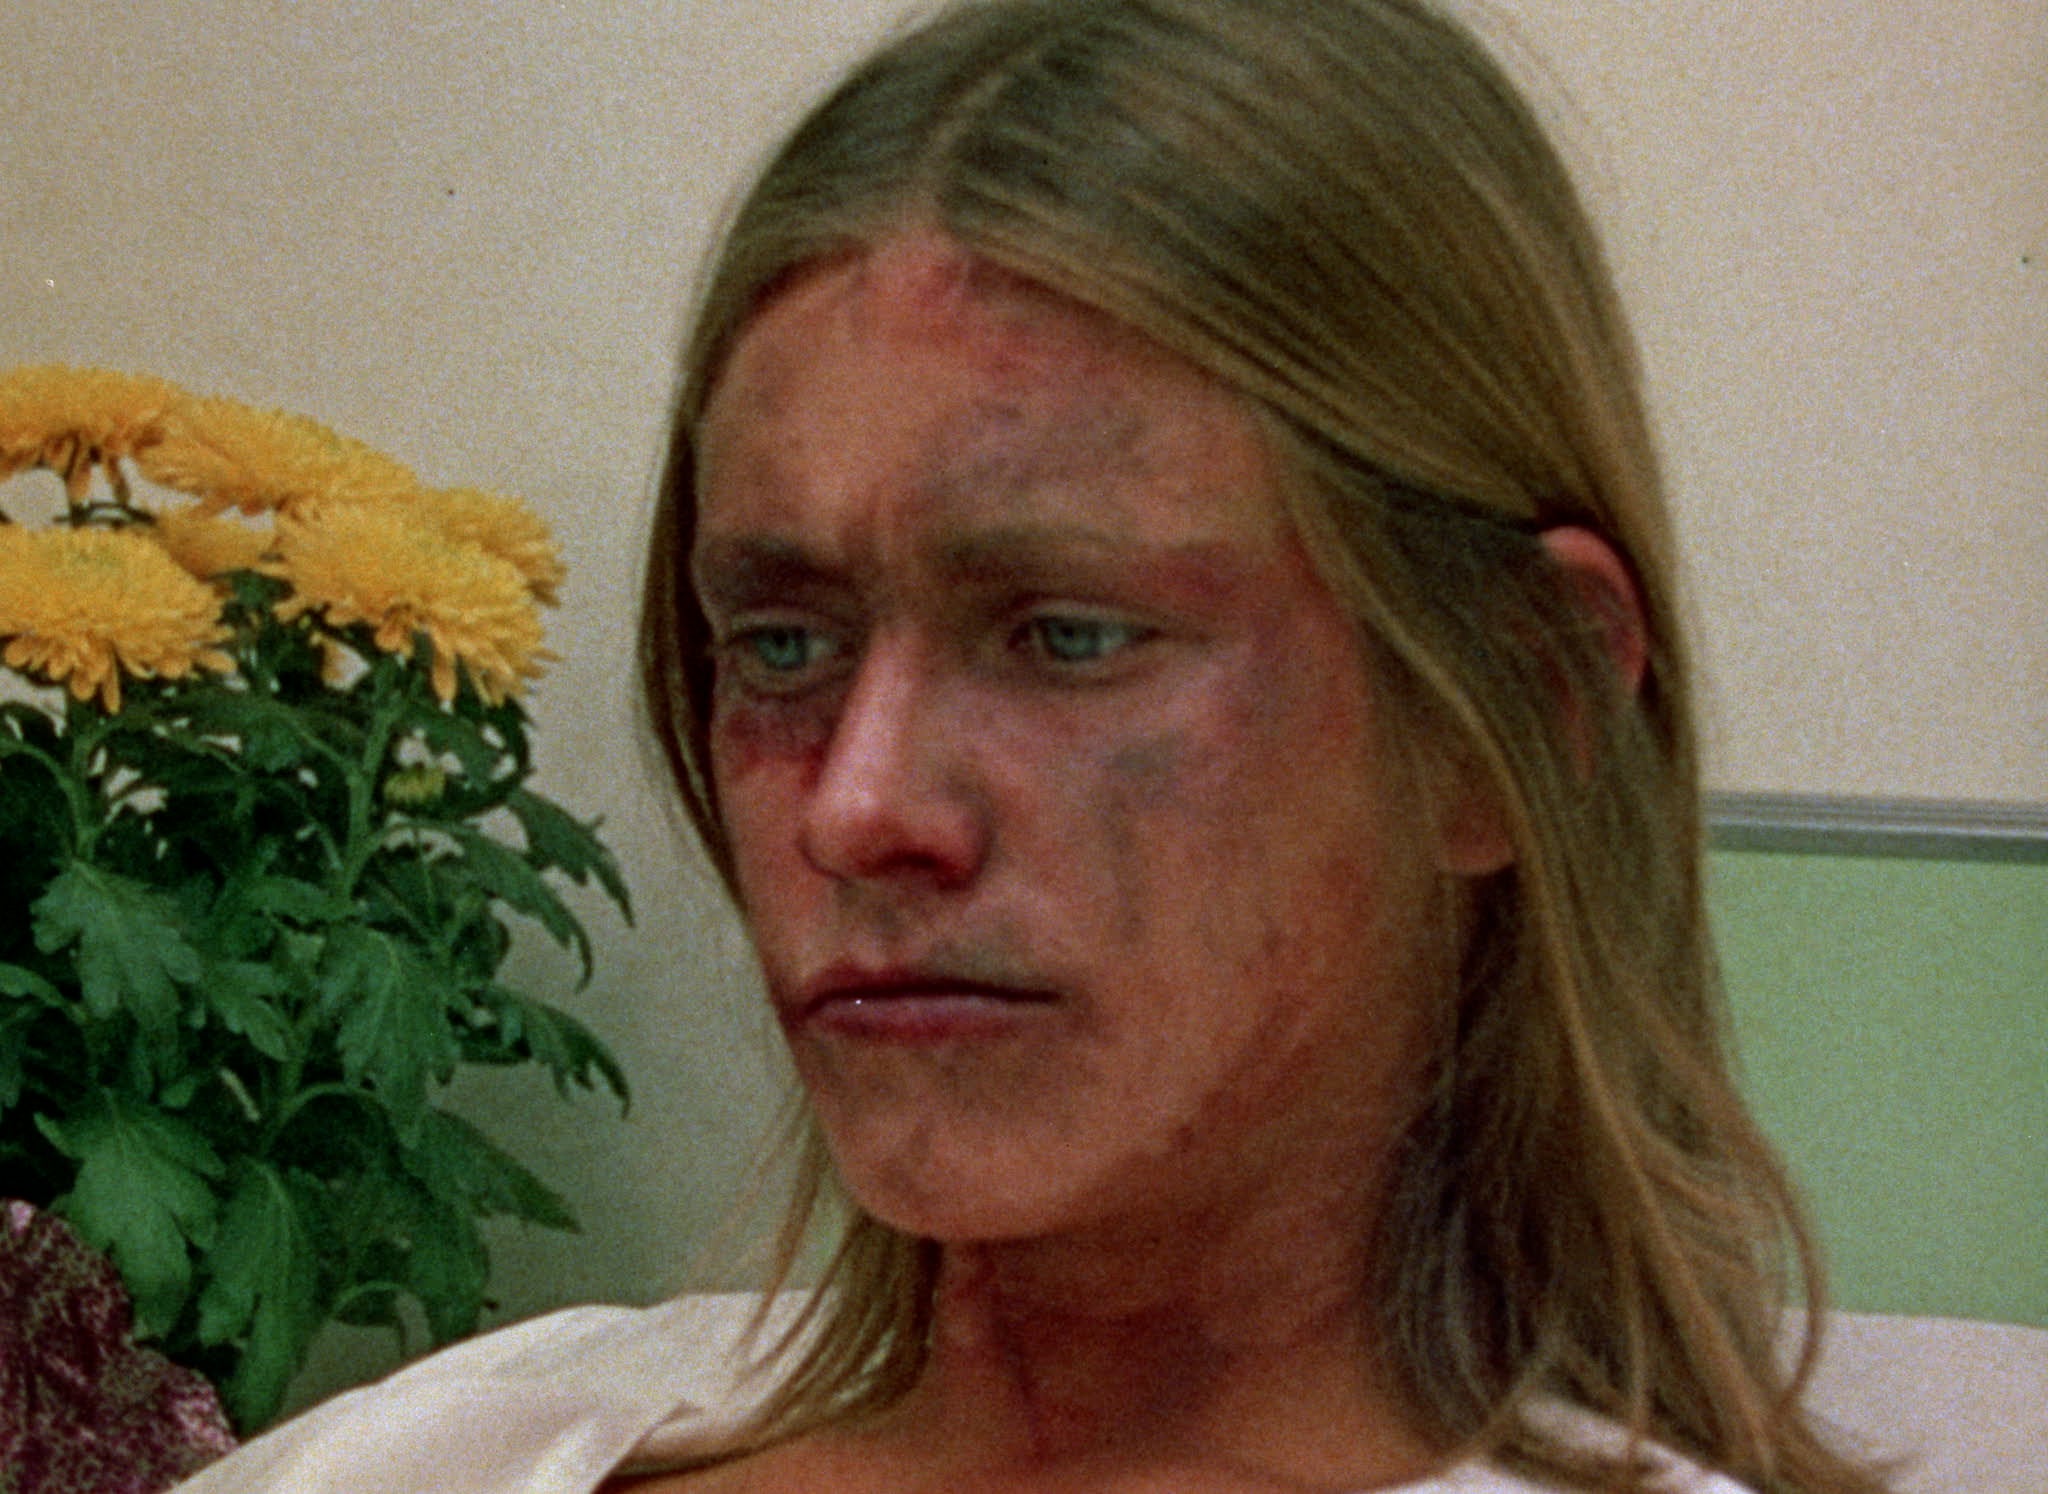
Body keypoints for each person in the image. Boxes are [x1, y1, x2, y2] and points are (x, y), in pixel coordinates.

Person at [176, 1, 1892, 1490]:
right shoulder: (431, 1453)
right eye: (782, 643)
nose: (855, 808)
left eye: (1068, 633)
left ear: (1515, 708)